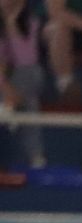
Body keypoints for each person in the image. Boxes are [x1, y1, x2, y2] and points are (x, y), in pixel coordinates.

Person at [0, 0, 44, 167]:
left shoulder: (31, 22)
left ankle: (7, 110)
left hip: (19, 85)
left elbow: (26, 60)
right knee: (29, 103)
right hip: (5, 85)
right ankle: (36, 157)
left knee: (29, 73)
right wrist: (4, 85)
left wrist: (11, 24)